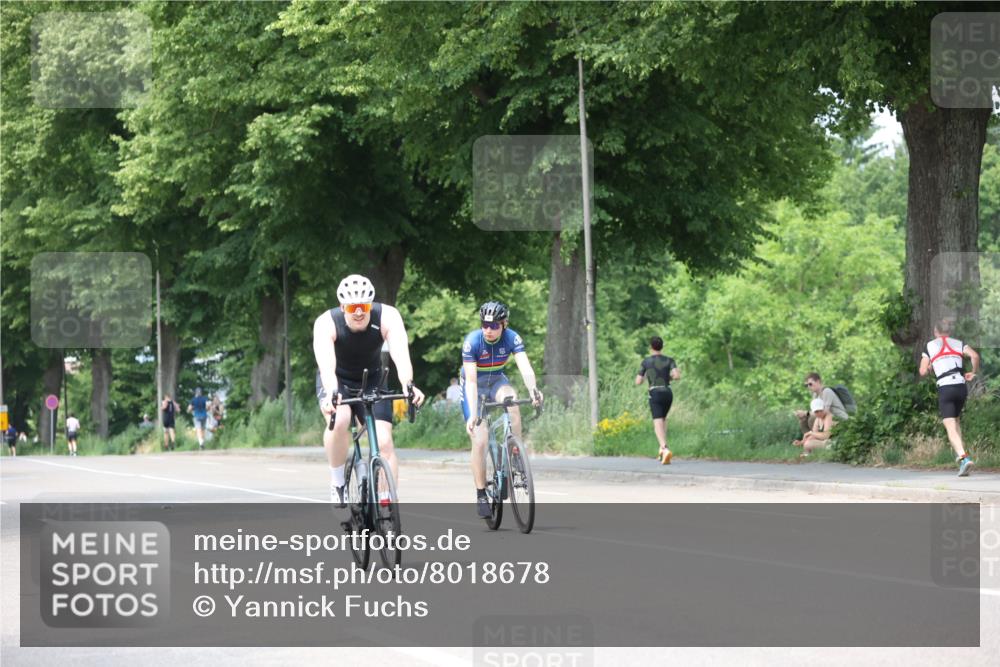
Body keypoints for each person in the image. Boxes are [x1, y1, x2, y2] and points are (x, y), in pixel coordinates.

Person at [313, 274, 425, 506]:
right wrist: (332, 393)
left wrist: (408, 384)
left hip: (372, 378)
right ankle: (337, 483)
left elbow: (401, 355)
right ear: (342, 306)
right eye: (352, 307)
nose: (358, 312)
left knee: (384, 442)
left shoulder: (388, 316)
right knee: (341, 420)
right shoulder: (326, 322)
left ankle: (387, 503)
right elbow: (326, 366)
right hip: (338, 380)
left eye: (363, 306)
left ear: (370, 304)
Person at [461, 301, 542, 518]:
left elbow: (524, 366)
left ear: (504, 324)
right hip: (474, 387)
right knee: (480, 439)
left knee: (513, 401)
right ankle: (480, 493)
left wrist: (533, 389)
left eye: (494, 326)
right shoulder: (472, 342)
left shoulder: (512, 338)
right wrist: (474, 414)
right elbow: (470, 381)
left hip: (497, 381)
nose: (488, 330)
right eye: (484, 325)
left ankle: (515, 453)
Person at [919, 319, 980, 477]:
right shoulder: (958, 343)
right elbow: (974, 355)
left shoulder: (930, 346)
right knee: (956, 421)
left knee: (949, 425)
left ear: (935, 332)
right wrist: (972, 372)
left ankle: (964, 458)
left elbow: (922, 371)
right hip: (961, 386)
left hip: (946, 387)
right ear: (949, 332)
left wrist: (931, 367)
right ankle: (962, 463)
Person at [635, 336, 681, 464]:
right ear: (662, 346)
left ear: (651, 347)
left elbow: (638, 381)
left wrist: (645, 378)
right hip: (667, 392)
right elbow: (677, 376)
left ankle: (665, 449)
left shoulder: (646, 362)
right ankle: (661, 449)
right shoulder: (669, 360)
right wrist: (668, 377)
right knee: (663, 420)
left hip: (655, 392)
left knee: (657, 422)